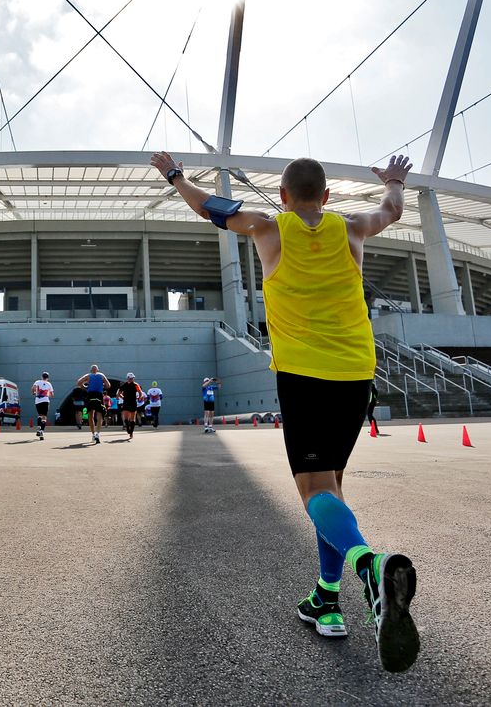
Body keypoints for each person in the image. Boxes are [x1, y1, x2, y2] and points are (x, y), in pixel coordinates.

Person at [151, 148, 419, 673]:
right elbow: (392, 211)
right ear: (326, 196)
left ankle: (368, 566)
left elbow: (210, 207)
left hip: (304, 375)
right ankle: (326, 600)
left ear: (283, 197)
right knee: (333, 485)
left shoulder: (269, 228)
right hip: (357, 373)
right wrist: (393, 181)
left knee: (314, 490)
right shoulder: (351, 228)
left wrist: (175, 175)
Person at [75, 364, 109, 444]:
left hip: (90, 395)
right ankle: (98, 433)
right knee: (100, 414)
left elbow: (79, 382)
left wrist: (85, 387)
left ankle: (93, 434)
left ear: (91, 370)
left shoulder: (88, 375)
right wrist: (102, 385)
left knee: (91, 415)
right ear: (97, 370)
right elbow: (108, 385)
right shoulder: (101, 375)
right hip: (99, 395)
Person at [116, 373, 145, 441]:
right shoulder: (124, 385)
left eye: (132, 378)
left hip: (133, 403)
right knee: (126, 419)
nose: (131, 379)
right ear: (127, 378)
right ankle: (128, 428)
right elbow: (118, 393)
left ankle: (131, 432)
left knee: (132, 419)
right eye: (130, 378)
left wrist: (140, 397)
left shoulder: (136, 385)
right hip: (126, 402)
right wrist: (123, 397)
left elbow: (140, 392)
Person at [32, 372, 54, 441]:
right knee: (44, 416)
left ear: (41, 377)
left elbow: (33, 389)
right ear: (47, 378)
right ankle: (42, 431)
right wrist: (47, 395)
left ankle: (38, 429)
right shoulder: (49, 384)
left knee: (40, 415)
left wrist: (34, 393)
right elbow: (52, 394)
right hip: (45, 401)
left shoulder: (37, 382)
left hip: (38, 401)